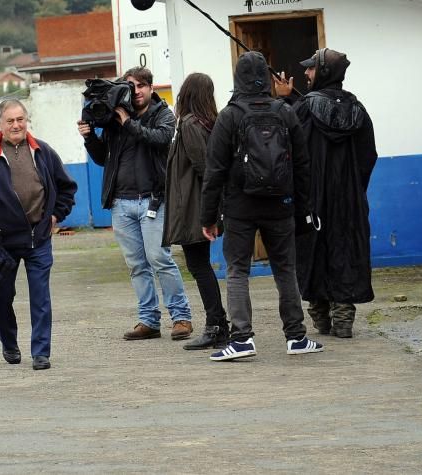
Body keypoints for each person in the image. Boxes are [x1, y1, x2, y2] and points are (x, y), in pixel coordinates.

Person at [201, 51, 321, 361]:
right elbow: (303, 165)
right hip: (281, 205)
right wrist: (301, 206)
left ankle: (242, 340)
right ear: (266, 78)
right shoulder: (285, 111)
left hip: (240, 207)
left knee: (238, 270)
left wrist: (208, 216)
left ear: (237, 78)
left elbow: (214, 171)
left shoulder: (230, 116)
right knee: (285, 270)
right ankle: (296, 337)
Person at [78, 67, 194, 341]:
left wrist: (128, 122)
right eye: (131, 86)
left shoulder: (162, 114)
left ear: (151, 88)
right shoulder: (114, 119)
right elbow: (102, 159)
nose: (137, 91)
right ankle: (148, 320)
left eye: (141, 86)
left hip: (153, 200)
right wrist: (89, 137)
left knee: (159, 259)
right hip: (121, 203)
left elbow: (160, 139)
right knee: (136, 265)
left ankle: (181, 317)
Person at [0, 98, 78, 370]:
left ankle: (41, 352)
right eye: (10, 121)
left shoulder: (43, 152)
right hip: (2, 243)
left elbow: (66, 188)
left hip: (38, 239)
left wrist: (54, 215)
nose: (16, 125)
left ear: (27, 121)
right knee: (1, 299)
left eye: (20, 120)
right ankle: (9, 343)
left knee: (41, 298)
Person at [274, 48, 377, 339]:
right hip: (349, 201)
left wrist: (284, 100)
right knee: (346, 252)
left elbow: (292, 142)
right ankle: (343, 317)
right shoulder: (357, 110)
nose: (306, 74)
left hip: (312, 198)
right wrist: (355, 189)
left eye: (310, 69)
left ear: (324, 72)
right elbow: (368, 155)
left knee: (311, 254)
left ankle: (320, 315)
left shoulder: (305, 107)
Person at [163, 73, 229, 350]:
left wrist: (210, 214)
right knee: (200, 265)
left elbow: (204, 168)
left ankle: (217, 325)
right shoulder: (208, 123)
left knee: (199, 266)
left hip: (195, 207)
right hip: (201, 205)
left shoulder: (189, 124)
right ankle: (218, 324)